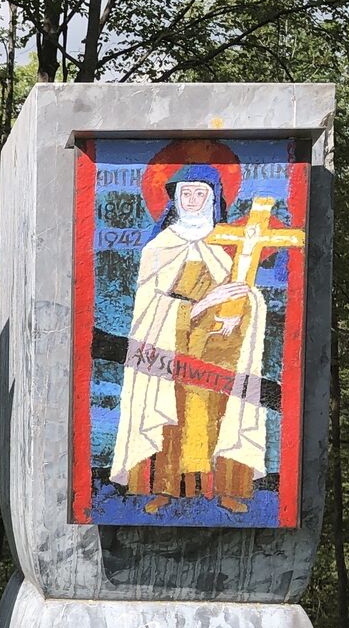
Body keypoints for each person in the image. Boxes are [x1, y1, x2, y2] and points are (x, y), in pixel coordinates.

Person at [109, 161, 268, 514]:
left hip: (217, 353)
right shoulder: (159, 248)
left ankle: (225, 489)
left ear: (213, 200)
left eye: (200, 194)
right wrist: (202, 305)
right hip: (171, 352)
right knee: (170, 416)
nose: (193, 201)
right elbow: (148, 307)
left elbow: (244, 294)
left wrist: (241, 311)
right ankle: (163, 489)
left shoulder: (223, 247)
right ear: (175, 200)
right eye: (186, 194)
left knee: (223, 417)